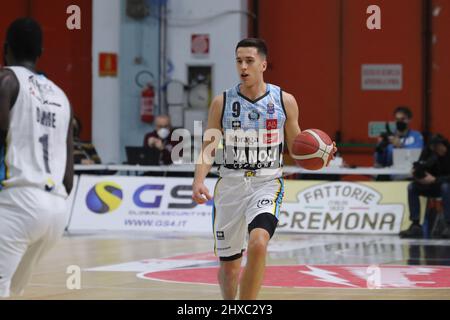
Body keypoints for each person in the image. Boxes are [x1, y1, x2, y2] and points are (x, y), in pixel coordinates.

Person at [192, 38, 336, 300]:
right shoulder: (221, 102)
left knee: (259, 243)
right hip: (230, 185)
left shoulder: (284, 100)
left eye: (249, 61)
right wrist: (198, 180)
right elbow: (208, 147)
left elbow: (297, 148)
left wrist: (321, 153)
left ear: (263, 64)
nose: (243, 67)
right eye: (239, 61)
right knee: (230, 267)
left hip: (266, 181)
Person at [0, 18, 73, 298]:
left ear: (5, 48)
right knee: (12, 291)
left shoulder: (5, 80)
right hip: (56, 210)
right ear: (41, 51)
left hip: (17, 202)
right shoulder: (61, 95)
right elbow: (69, 168)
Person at [400, 134, 450, 239]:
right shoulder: (428, 153)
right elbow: (419, 169)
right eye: (434, 147)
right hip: (430, 185)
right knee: (412, 187)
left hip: (443, 185)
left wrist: (436, 180)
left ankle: (448, 224)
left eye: (439, 146)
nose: (437, 149)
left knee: (445, 187)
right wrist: (418, 176)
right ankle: (415, 225)